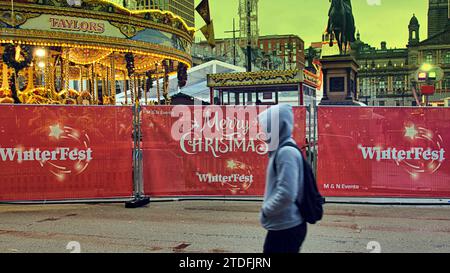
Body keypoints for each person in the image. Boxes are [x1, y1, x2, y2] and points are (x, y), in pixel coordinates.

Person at [258, 104, 306, 253]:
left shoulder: (286, 153)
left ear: (277, 127)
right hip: (284, 224)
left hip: (286, 226)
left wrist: (267, 209)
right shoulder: (281, 150)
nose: (264, 133)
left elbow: (287, 193)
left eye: (267, 128)